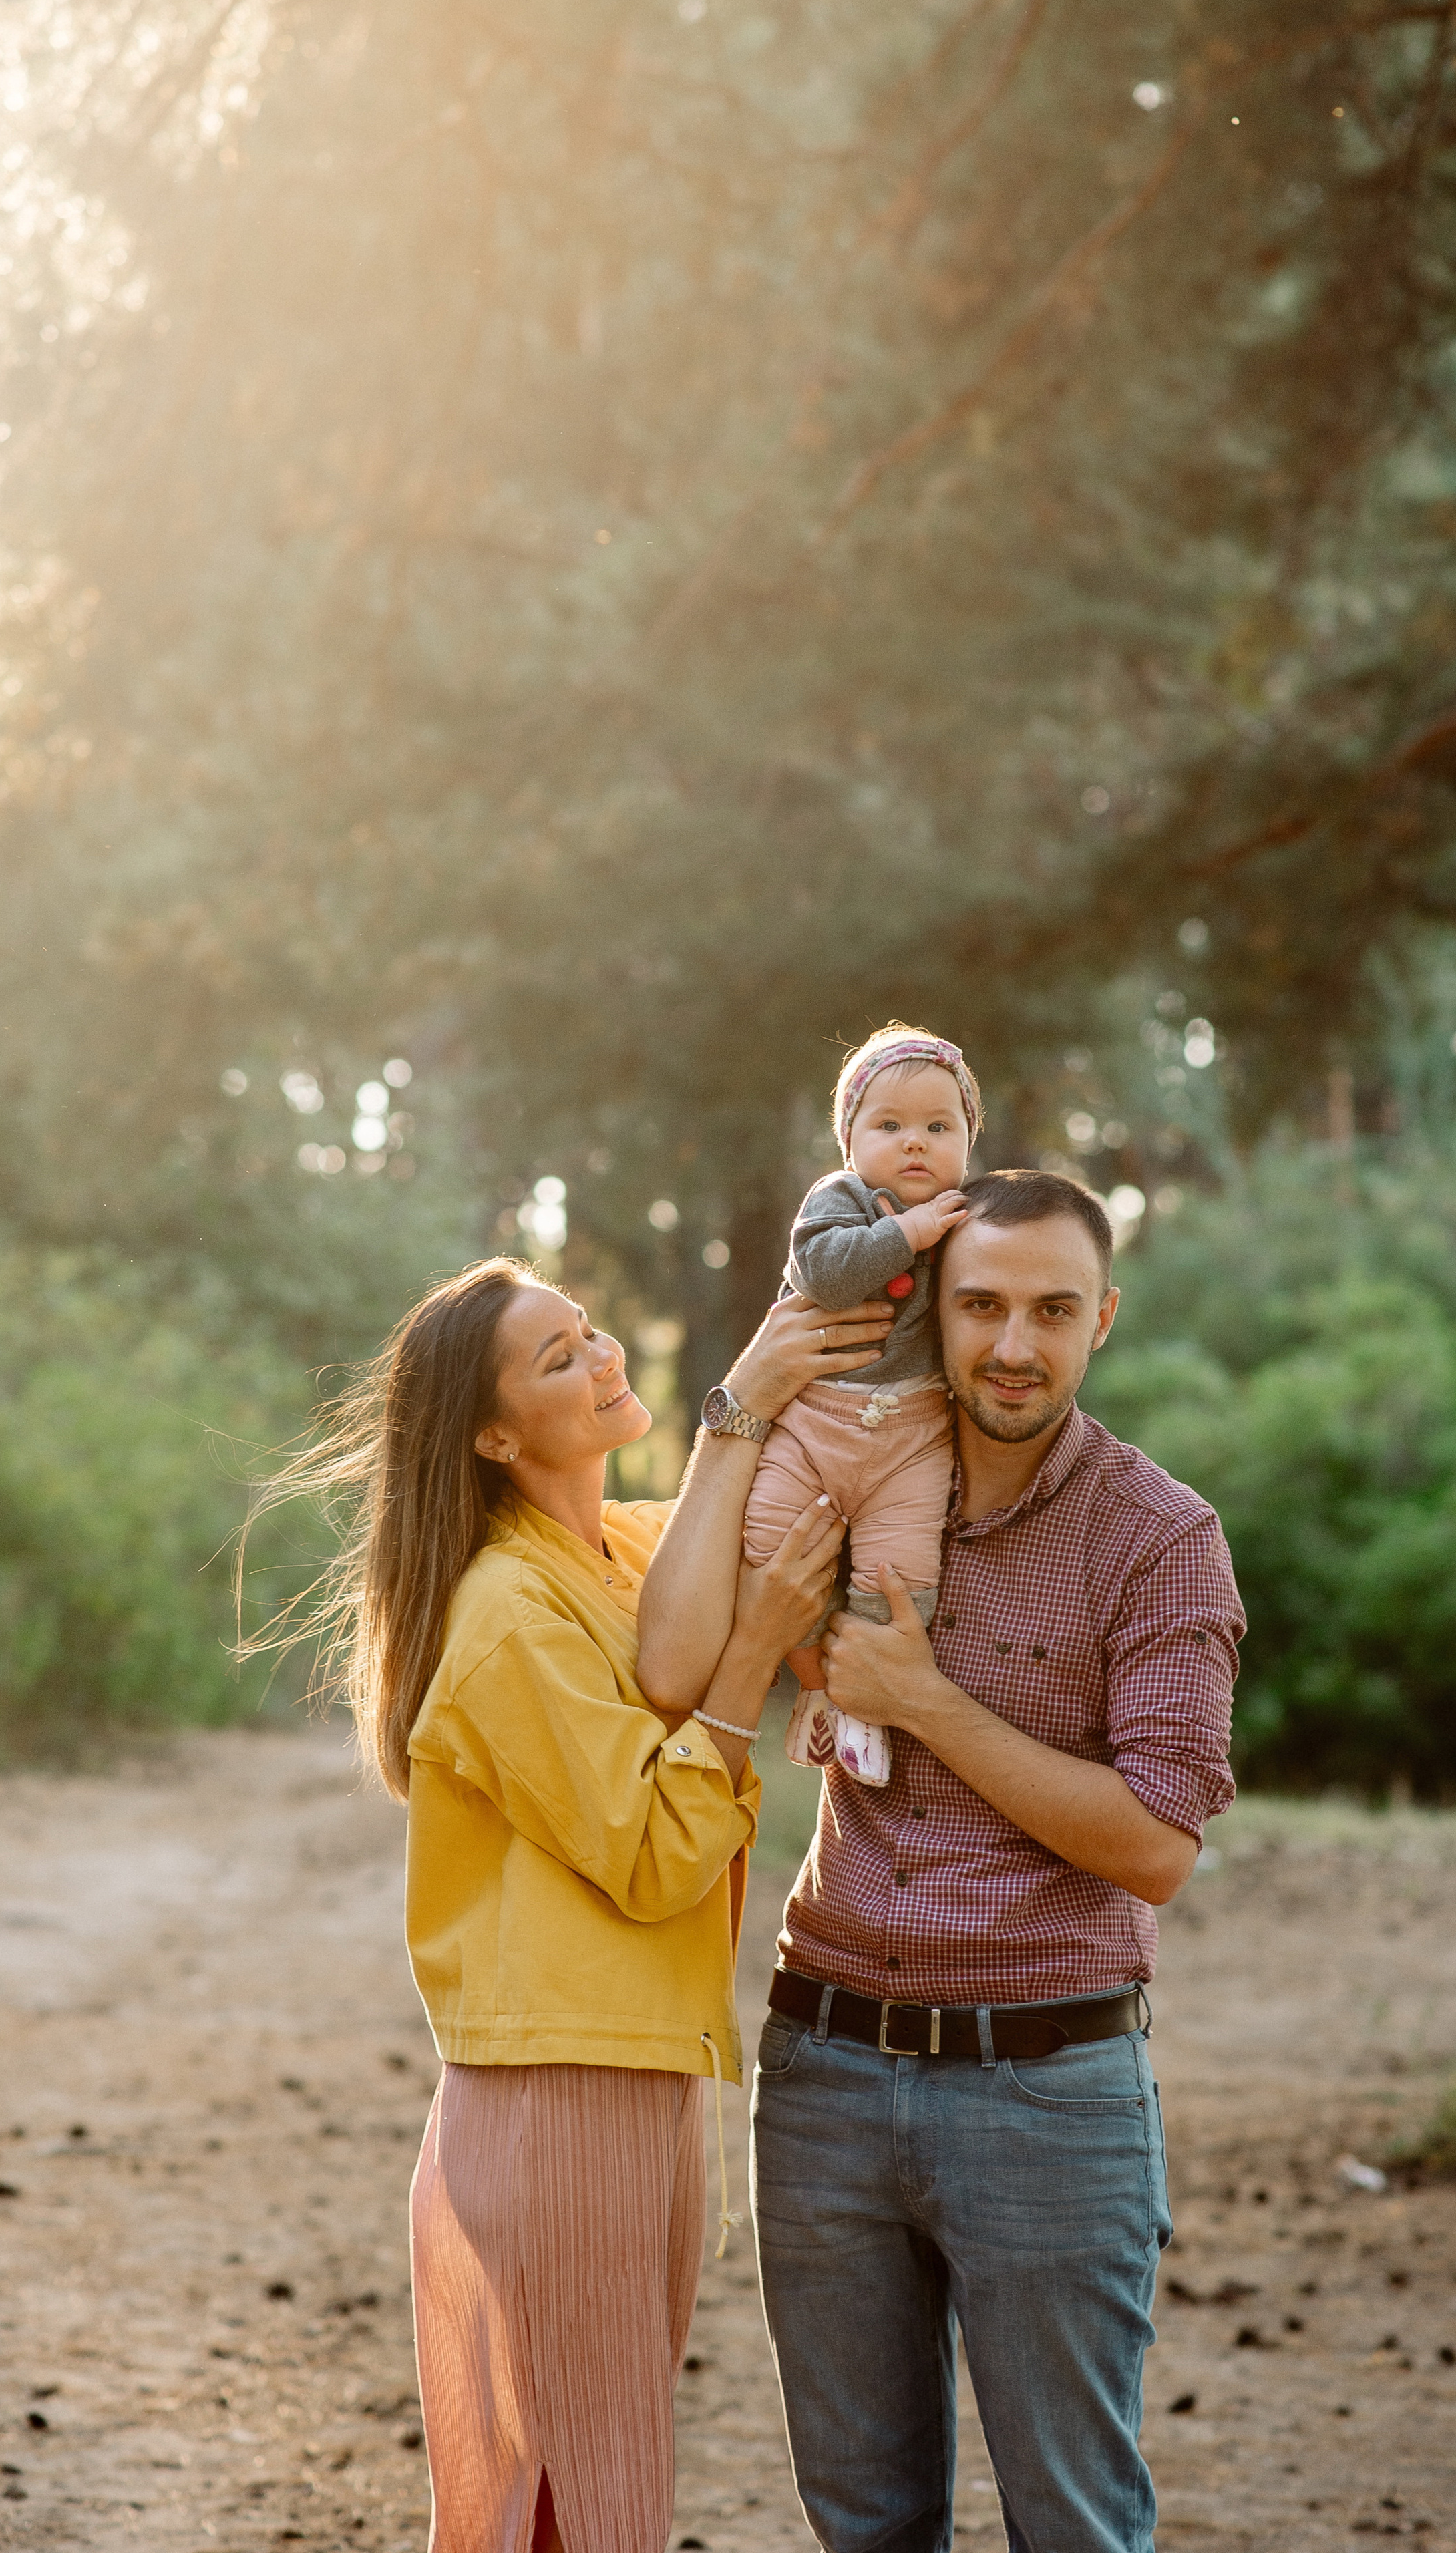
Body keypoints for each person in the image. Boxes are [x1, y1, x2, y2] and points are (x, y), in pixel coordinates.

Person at [242, 1255, 890, 2553]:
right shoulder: (503, 1609)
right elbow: (655, 1850)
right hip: (558, 2089)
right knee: (581, 2494)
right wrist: (750, 1648)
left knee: (577, 2479)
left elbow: (777, 1507)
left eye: (590, 1330)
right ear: (492, 1435)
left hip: (632, 2066)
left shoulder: (627, 1549)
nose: (601, 1357)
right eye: (557, 1357)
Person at [638, 1170, 1244, 2553]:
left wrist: (923, 1703)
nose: (1012, 1345)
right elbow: (673, 1663)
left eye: (1051, 1311)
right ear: (931, 1305)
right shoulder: (837, 1479)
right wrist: (736, 1407)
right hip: (823, 2072)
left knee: (1073, 2525)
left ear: (1103, 1317)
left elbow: (1157, 1846)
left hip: (1049, 2088)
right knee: (862, 2523)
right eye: (981, 1306)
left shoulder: (1159, 1540)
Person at [744, 1022, 981, 1786]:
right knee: (767, 1543)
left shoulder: (969, 1218)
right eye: (889, 1126)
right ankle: (813, 1683)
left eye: (939, 1127)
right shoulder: (840, 1199)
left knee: (901, 1576)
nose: (915, 1143)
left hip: (912, 1435)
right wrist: (908, 1233)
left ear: (968, 1143)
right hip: (817, 1418)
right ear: (850, 1141)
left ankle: (860, 1710)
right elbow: (823, 1273)